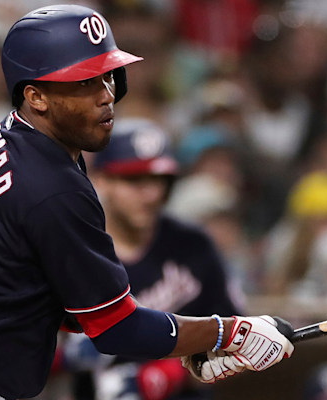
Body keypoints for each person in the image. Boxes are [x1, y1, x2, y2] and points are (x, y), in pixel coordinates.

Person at [0, 5, 294, 400]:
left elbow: (52, 292)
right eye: (84, 82)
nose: (106, 94)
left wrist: (187, 345)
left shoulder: (20, 137)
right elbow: (118, 329)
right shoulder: (50, 185)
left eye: (108, 76)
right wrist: (228, 332)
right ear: (36, 96)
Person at [72, 119, 242, 400]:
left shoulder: (193, 244)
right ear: (102, 180)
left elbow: (236, 338)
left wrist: (172, 374)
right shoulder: (76, 250)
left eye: (158, 180)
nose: (150, 194)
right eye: (134, 180)